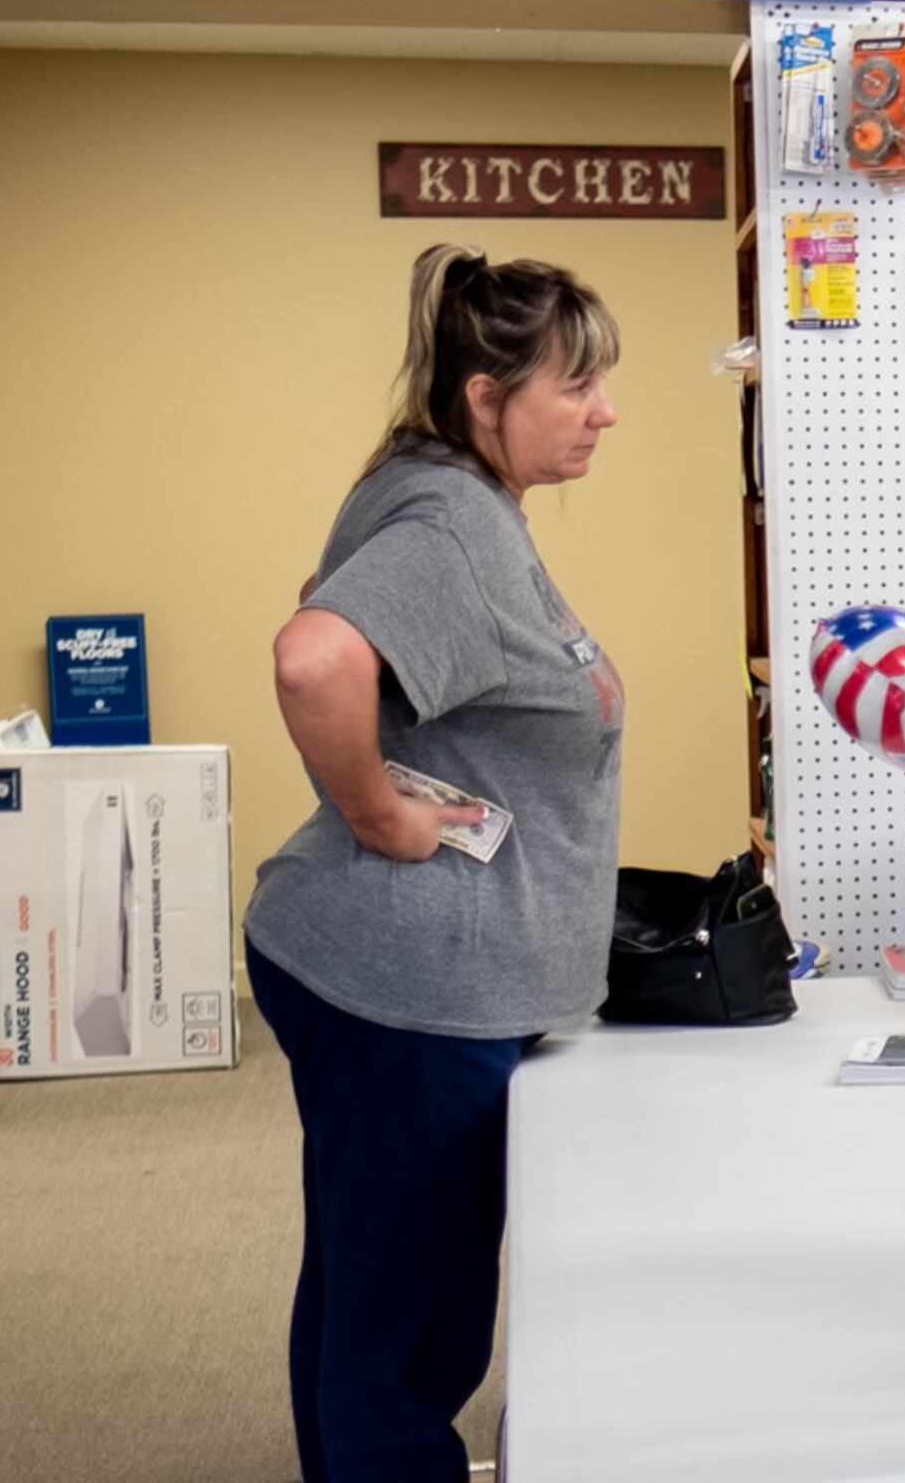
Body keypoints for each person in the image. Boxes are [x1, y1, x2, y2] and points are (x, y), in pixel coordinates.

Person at [245, 246, 626, 1483]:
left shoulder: (429, 489)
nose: (603, 410)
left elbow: (331, 601)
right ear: (484, 396)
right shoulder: (454, 520)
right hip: (414, 988)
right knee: (412, 1322)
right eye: (575, 386)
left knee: (369, 1285)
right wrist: (373, 813)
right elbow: (314, 654)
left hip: (406, 977)